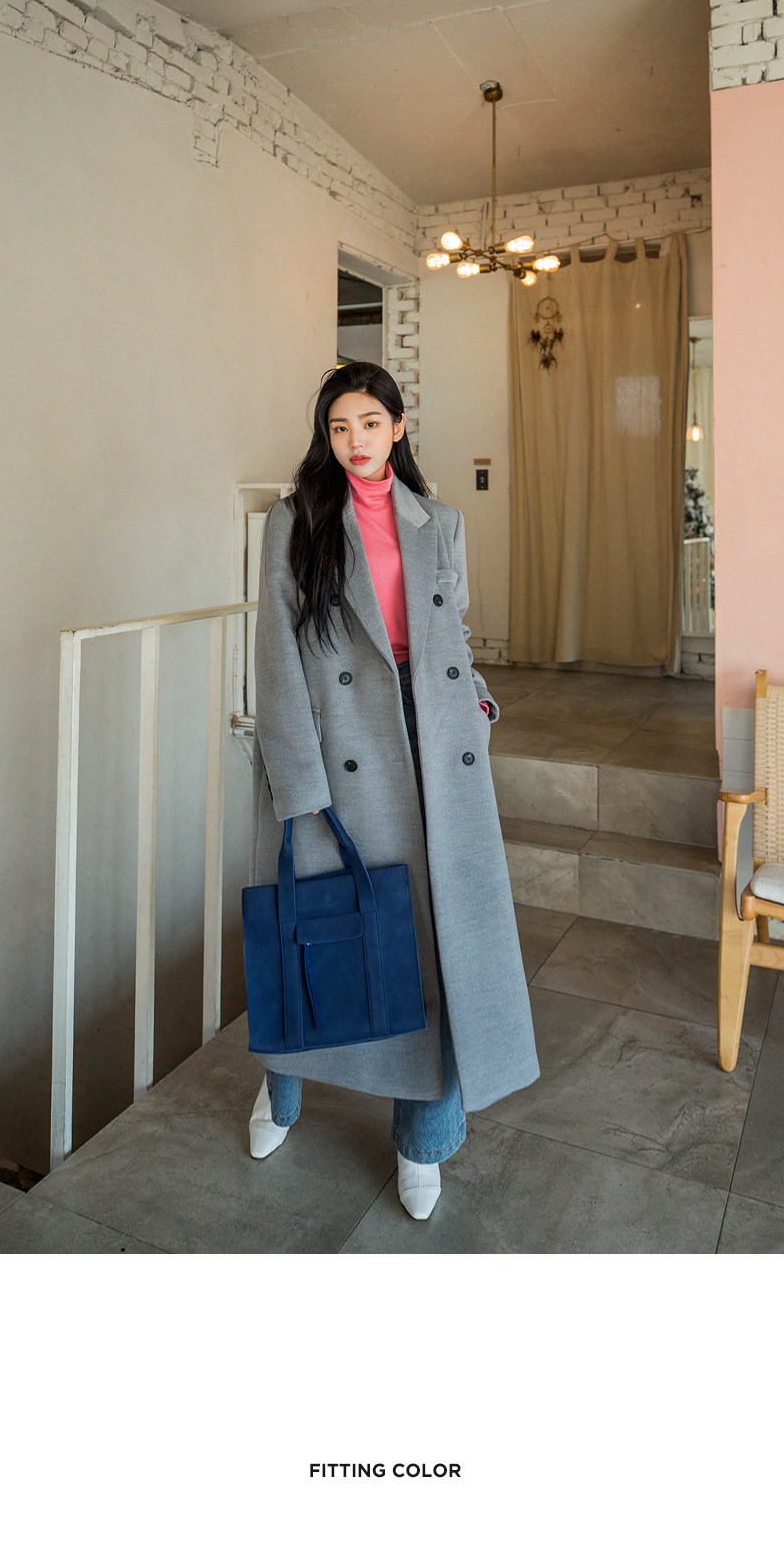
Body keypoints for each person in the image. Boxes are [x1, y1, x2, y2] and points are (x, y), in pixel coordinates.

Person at [246, 362, 540, 1221]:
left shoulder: (438, 522)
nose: (355, 441)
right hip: (341, 742)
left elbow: (454, 633)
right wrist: (298, 779)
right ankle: (283, 1089)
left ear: (398, 427)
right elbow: (276, 651)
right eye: (339, 427)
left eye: (369, 423)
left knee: (436, 945)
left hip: (436, 743)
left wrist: (477, 705)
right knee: (317, 928)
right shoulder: (296, 519)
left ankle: (423, 1142)